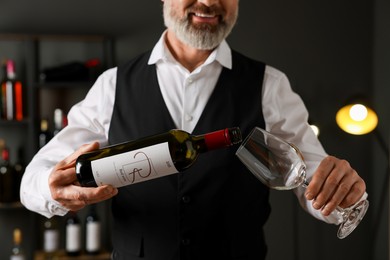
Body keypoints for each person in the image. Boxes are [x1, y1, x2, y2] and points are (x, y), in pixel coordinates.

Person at [21, 0, 367, 259]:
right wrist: (52, 190)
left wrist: (344, 194)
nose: (208, 2)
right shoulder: (112, 86)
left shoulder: (269, 86)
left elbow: (314, 182)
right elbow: (32, 180)